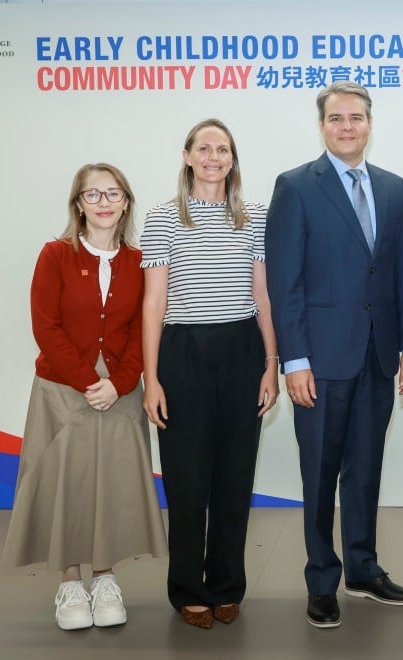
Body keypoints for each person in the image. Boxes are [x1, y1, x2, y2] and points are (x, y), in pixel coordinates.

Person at [265, 82, 403, 629]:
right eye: (336, 118)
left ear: (370, 123)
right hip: (321, 360)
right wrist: (294, 360)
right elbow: (285, 283)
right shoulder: (295, 187)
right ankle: (321, 579)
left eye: (356, 117)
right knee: (320, 473)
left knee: (365, 470)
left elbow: (401, 273)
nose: (347, 126)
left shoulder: (393, 188)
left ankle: (363, 569)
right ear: (322, 125)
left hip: (379, 355)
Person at [3, 163, 168, 631]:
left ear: (126, 202)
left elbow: (144, 328)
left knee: (110, 487)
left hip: (119, 389)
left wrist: (120, 382)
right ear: (78, 204)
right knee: (66, 484)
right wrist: (85, 381)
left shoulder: (138, 262)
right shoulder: (54, 255)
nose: (103, 202)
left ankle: (106, 578)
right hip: (62, 390)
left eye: (112, 194)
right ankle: (70, 582)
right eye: (92, 194)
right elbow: (45, 325)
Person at [141, 119, 278, 630]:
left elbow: (263, 296)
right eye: (205, 148)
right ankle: (187, 589)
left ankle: (225, 585)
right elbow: (154, 302)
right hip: (183, 352)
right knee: (186, 479)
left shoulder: (255, 216)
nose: (214, 157)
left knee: (234, 477)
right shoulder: (161, 218)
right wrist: (152, 379)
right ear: (187, 156)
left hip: (243, 349)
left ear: (232, 158)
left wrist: (271, 365)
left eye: (223, 149)